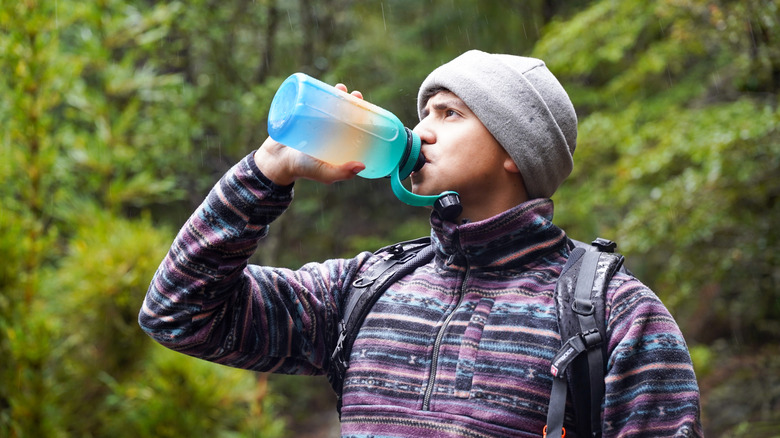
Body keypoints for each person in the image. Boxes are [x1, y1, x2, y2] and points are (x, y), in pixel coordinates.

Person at [139, 50, 703, 437]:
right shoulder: (363, 289)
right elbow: (178, 313)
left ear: (516, 150)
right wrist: (268, 170)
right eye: (422, 114)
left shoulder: (614, 313)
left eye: (448, 113)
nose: (422, 131)